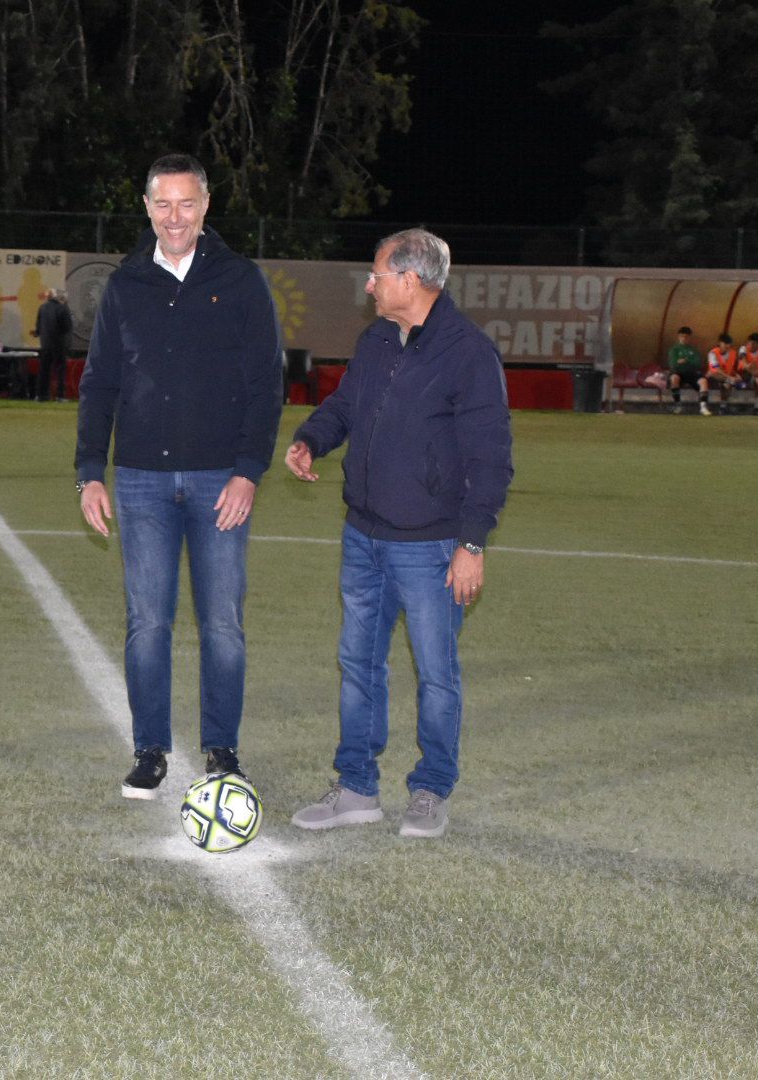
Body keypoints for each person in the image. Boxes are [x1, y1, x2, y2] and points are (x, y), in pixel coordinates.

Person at [285, 227, 512, 839]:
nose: (370, 284)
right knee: (359, 664)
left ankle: (432, 789)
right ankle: (356, 787)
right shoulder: (377, 338)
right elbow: (346, 405)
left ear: (410, 280)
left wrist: (471, 544)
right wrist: (312, 439)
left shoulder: (468, 353)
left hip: (431, 546)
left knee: (436, 673)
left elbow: (492, 458)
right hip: (363, 535)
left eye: (378, 274)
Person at [75, 153, 283, 799]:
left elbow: (266, 384)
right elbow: (100, 382)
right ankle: (150, 751)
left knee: (222, 623)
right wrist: (89, 471)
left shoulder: (240, 280)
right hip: (140, 481)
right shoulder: (126, 284)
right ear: (146, 207)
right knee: (148, 623)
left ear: (206, 205)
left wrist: (249, 471)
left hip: (221, 481)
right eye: (162, 203)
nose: (174, 216)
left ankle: (222, 748)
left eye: (186, 203)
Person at [31, 288, 74, 402]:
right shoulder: (62, 308)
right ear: (56, 296)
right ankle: (60, 396)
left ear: (47, 297)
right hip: (59, 344)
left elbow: (38, 328)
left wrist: (38, 333)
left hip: (45, 344)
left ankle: (41, 395)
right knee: (60, 370)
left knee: (44, 370)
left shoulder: (42, 308)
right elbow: (67, 326)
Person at [665, 326, 709, 415]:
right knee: (674, 378)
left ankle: (703, 407)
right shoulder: (674, 349)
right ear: (678, 337)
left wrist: (686, 361)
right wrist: (686, 362)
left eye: (686, 337)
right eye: (682, 336)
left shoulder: (693, 350)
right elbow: (673, 364)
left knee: (703, 381)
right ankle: (678, 405)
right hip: (679, 373)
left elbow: (698, 363)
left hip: (691, 373)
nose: (684, 338)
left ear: (689, 338)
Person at [737, 332, 758, 413]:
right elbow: (744, 364)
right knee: (750, 369)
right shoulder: (743, 349)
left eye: (755, 344)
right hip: (744, 375)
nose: (752, 345)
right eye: (751, 343)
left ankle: (757, 406)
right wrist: (753, 370)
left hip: (757, 374)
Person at [704, 333, 740, 411]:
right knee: (718, 376)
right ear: (720, 343)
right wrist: (729, 378)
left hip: (726, 376)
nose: (727, 346)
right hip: (713, 376)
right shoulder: (712, 353)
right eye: (725, 343)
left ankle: (723, 406)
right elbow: (716, 369)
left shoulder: (733, 353)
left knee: (728, 383)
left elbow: (732, 368)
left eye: (728, 344)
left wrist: (736, 375)